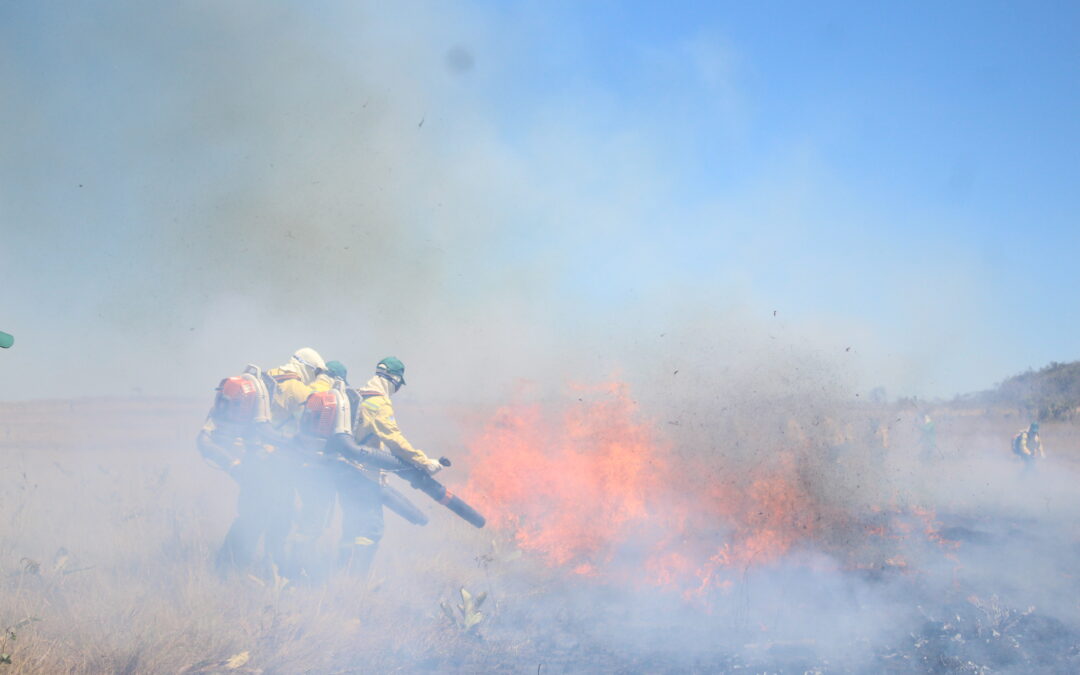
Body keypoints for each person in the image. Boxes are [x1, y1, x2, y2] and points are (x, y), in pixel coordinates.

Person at [200, 348, 325, 576]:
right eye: (316, 373)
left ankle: (226, 567)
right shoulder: (298, 389)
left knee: (250, 515)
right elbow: (307, 427)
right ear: (308, 368)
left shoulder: (268, 376)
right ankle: (273, 570)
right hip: (276, 464)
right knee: (281, 516)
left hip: (251, 458)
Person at [336, 357, 441, 575]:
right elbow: (394, 440)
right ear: (394, 380)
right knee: (371, 529)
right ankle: (357, 580)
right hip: (364, 475)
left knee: (351, 525)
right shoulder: (378, 403)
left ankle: (338, 573)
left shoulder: (358, 395)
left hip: (344, 472)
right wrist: (424, 461)